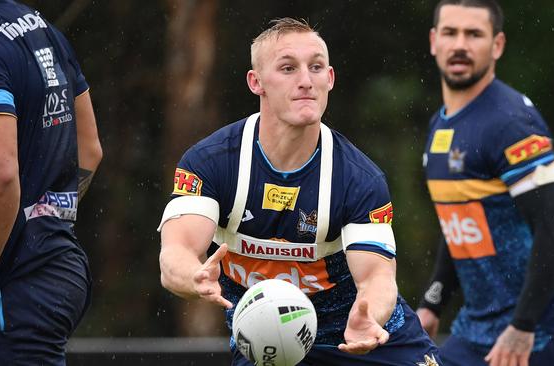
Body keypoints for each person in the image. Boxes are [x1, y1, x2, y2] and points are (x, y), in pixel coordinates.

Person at [158, 17, 441, 366]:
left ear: (330, 79)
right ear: (256, 82)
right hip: (270, 345)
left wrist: (371, 317)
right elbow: (176, 255)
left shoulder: (358, 178)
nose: (306, 81)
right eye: (288, 68)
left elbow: (377, 278)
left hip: (358, 336)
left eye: (316, 67)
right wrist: (194, 277)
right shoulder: (212, 162)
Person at [415, 1, 554, 365]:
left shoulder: (511, 123)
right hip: (476, 330)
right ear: (434, 41)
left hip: (541, 333)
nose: (460, 44)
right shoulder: (440, 124)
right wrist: (432, 304)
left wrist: (523, 327)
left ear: (497, 46)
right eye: (450, 33)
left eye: (474, 34)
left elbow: (553, 230)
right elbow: (461, 224)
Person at [0, 0, 102, 364]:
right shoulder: (41, 28)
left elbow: (3, 174)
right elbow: (90, 150)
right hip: (57, 270)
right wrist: (48, 216)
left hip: (16, 284)